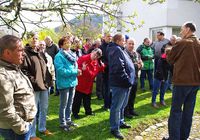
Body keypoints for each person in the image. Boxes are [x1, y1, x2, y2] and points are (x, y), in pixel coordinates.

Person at [163, 22, 200, 140]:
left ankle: (174, 138)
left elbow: (170, 59)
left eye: (182, 29)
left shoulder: (183, 42)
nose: (180, 32)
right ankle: (184, 137)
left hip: (182, 82)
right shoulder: (198, 43)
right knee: (188, 112)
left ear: (188, 29)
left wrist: (168, 49)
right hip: (195, 83)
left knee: (176, 111)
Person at [0, 35, 37, 140]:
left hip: (20, 125)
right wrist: (22, 127)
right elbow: (5, 109)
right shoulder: (3, 75)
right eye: (20, 50)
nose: (24, 53)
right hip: (15, 129)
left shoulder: (12, 67)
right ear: (7, 53)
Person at [21, 33, 52, 140]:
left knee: (44, 108)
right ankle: (32, 134)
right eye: (33, 38)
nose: (35, 40)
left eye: (36, 38)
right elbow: (24, 70)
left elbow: (46, 67)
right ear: (28, 39)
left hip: (44, 86)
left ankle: (42, 128)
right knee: (33, 110)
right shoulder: (25, 53)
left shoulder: (40, 52)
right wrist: (34, 81)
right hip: (34, 87)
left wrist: (48, 81)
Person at [108, 33, 135, 139]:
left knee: (122, 105)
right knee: (116, 107)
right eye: (124, 40)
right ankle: (114, 128)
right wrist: (127, 80)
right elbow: (119, 68)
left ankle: (121, 122)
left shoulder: (120, 49)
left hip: (125, 83)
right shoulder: (116, 50)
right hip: (120, 83)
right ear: (118, 41)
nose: (125, 41)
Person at [54, 35, 82, 131]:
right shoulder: (59, 56)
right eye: (65, 43)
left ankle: (68, 120)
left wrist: (77, 70)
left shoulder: (72, 54)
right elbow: (61, 71)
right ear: (61, 46)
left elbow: (74, 66)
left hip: (72, 82)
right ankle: (62, 123)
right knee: (64, 104)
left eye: (69, 42)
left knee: (70, 103)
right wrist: (75, 72)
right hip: (64, 83)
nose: (68, 44)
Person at [72, 48, 105, 118]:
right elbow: (75, 68)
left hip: (89, 84)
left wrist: (102, 66)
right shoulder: (83, 58)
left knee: (87, 100)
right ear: (92, 52)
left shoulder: (96, 61)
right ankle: (75, 113)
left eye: (97, 56)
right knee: (77, 100)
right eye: (95, 54)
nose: (95, 57)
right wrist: (81, 69)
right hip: (81, 83)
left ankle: (88, 111)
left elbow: (97, 70)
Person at [124, 38, 143, 118]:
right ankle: (126, 112)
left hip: (135, 77)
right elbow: (127, 65)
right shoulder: (124, 53)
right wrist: (136, 65)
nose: (131, 45)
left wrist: (141, 65)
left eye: (133, 44)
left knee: (133, 95)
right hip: (127, 77)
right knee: (127, 96)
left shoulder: (136, 53)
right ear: (126, 44)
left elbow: (140, 62)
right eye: (130, 43)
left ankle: (131, 109)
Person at [100, 32, 112, 110]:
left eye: (110, 36)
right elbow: (100, 59)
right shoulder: (101, 47)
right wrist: (106, 64)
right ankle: (106, 105)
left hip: (113, 70)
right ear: (104, 37)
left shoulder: (112, 46)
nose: (109, 38)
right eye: (108, 36)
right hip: (106, 70)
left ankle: (111, 103)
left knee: (112, 88)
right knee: (106, 88)